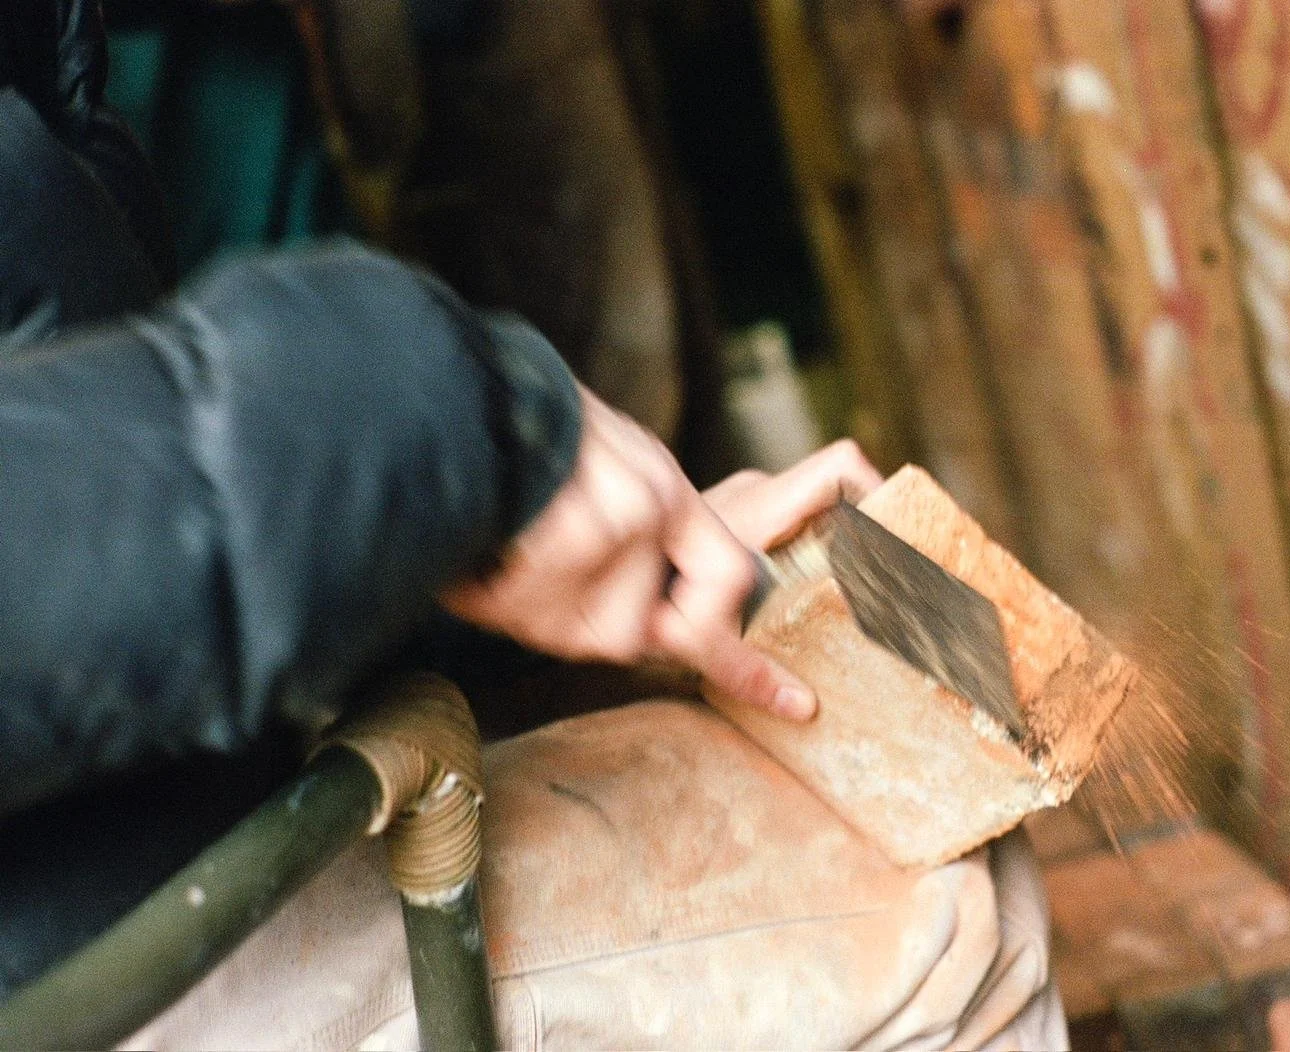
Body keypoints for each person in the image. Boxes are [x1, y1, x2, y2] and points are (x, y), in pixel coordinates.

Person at [0, 2, 1066, 1046]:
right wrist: (437, 432)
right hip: (93, 956)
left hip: (154, 816)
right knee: (959, 915)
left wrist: (511, 557)